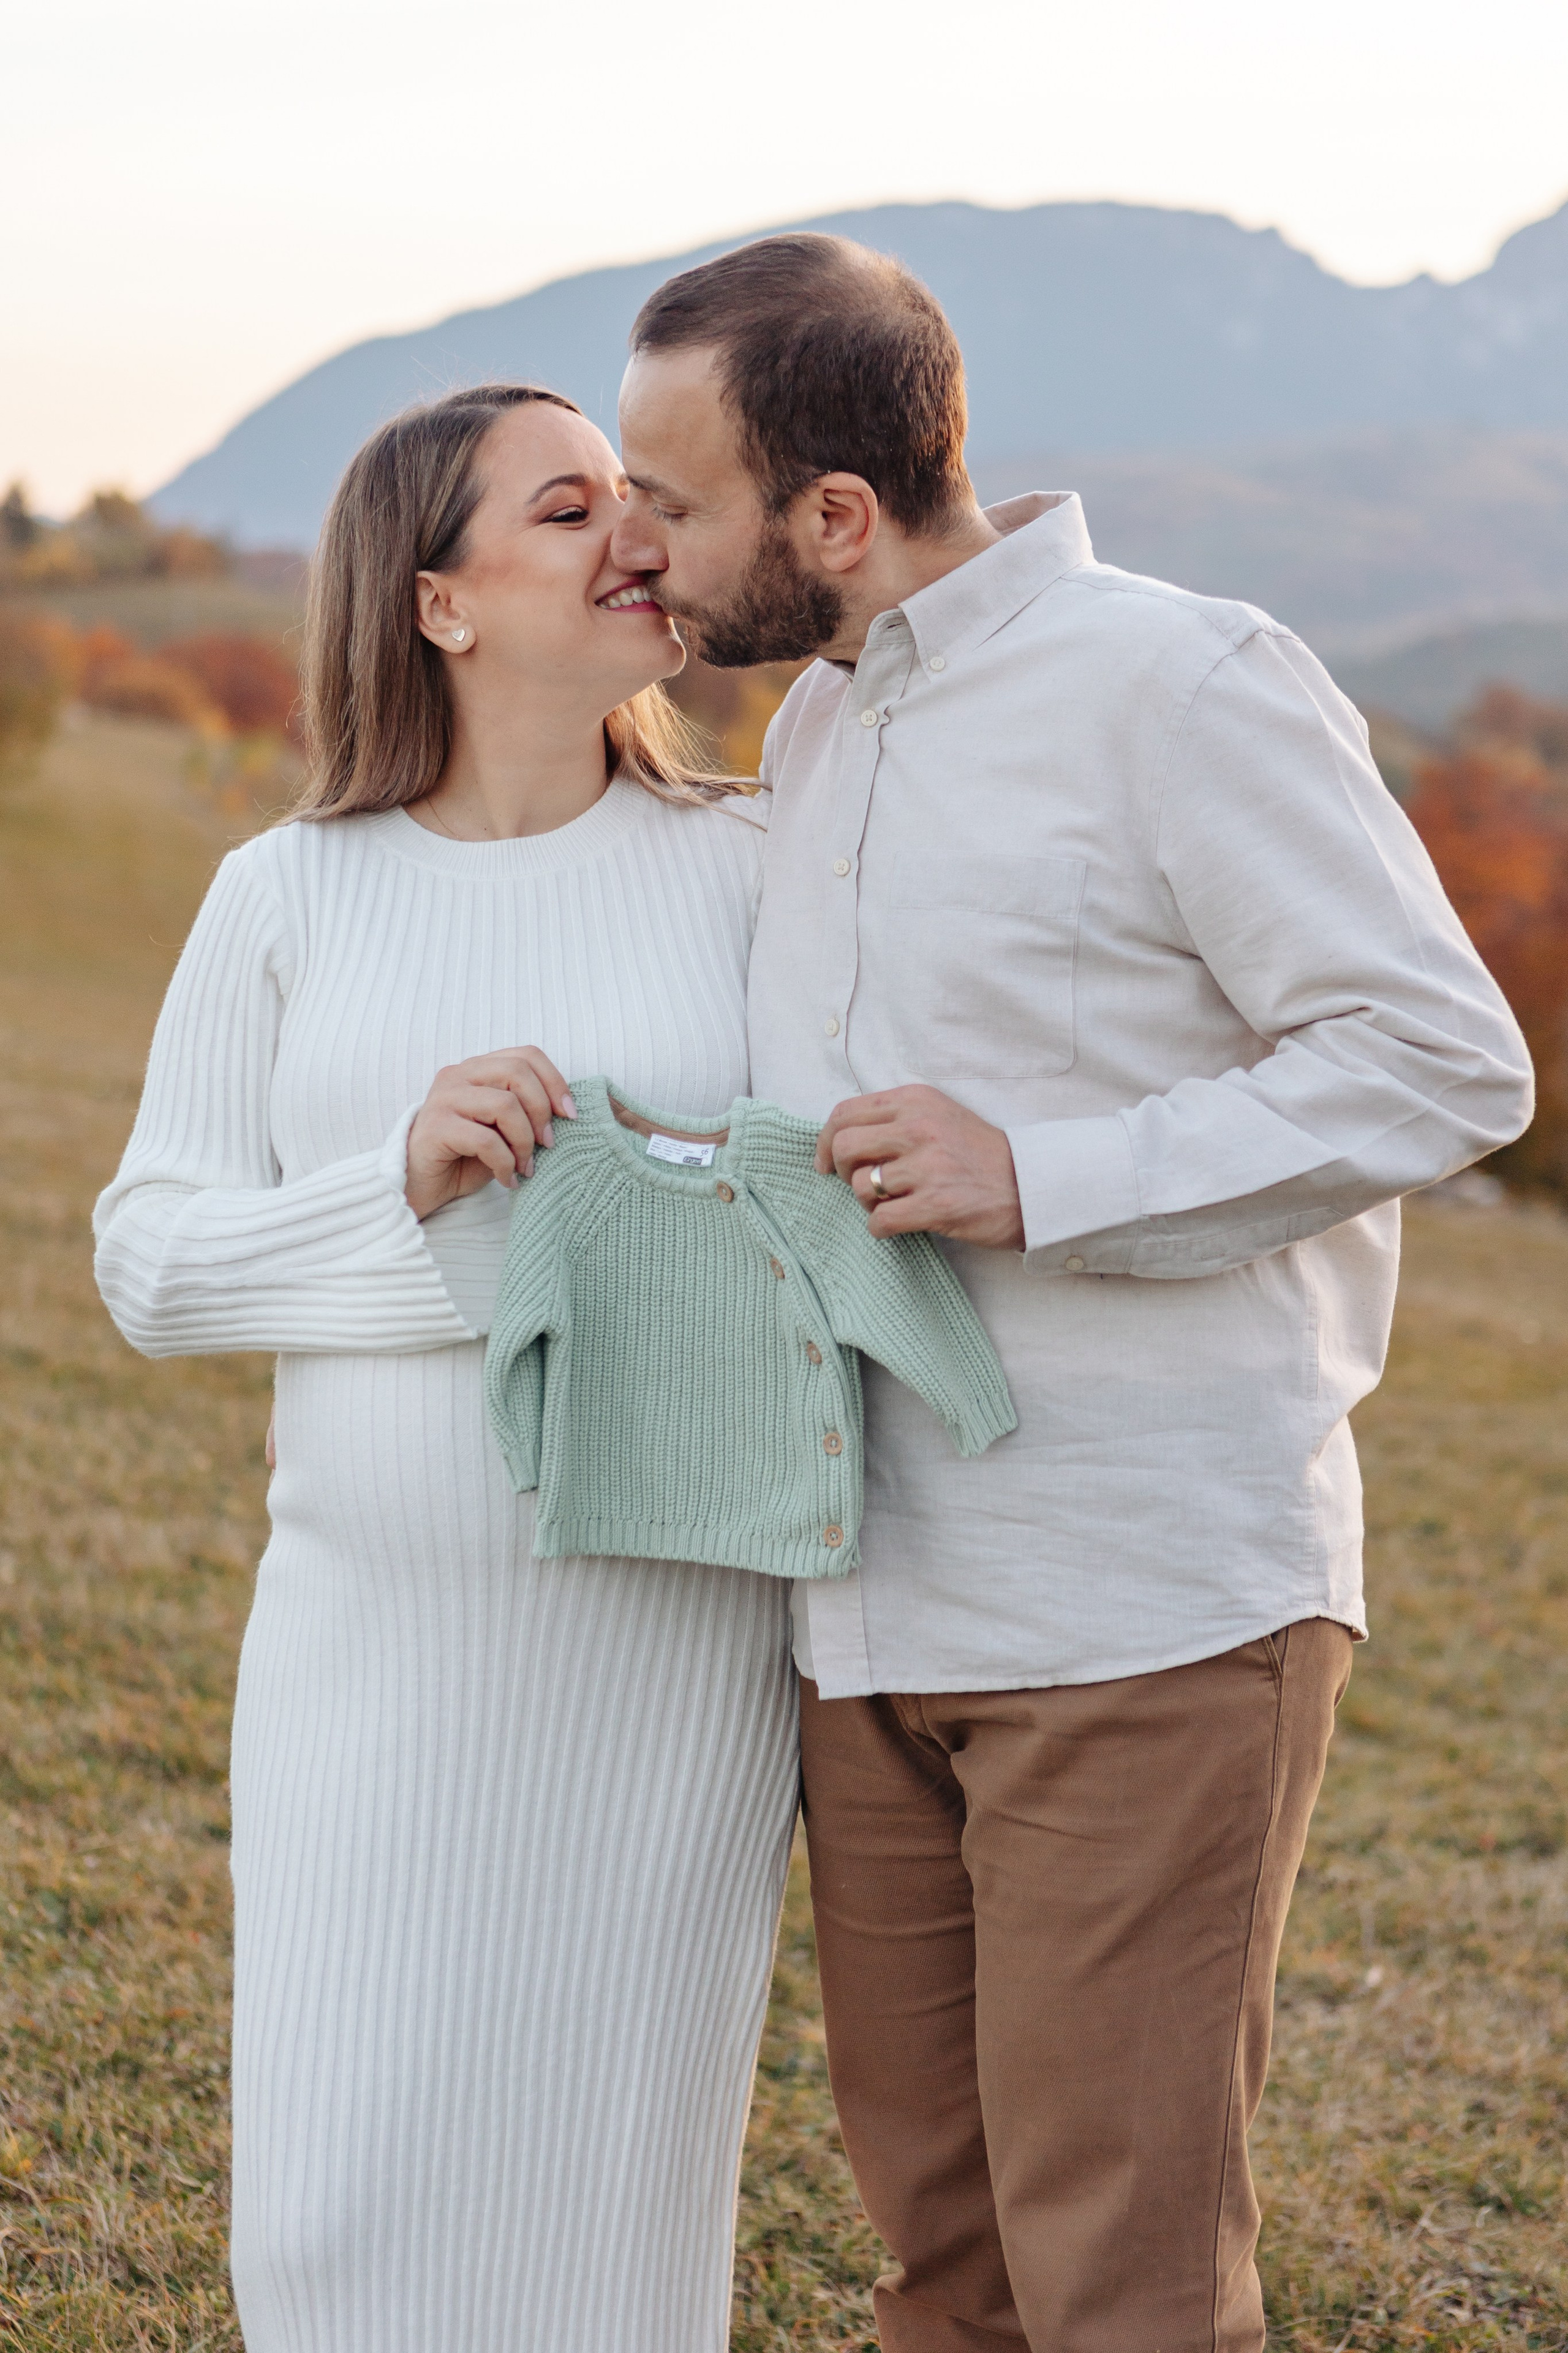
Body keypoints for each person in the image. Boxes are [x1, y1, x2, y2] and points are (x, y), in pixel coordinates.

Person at [611, 233, 1534, 2352]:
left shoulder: (1183, 682)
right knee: (946, 2261)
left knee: (1119, 2279)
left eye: (673, 498)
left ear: (835, 516)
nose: (640, 542)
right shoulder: (823, 726)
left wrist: (1051, 1175)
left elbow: (1442, 1055)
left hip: (1145, 1607)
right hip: (865, 1602)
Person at [93, 384, 799, 2353]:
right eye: (569, 508)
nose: (634, 537)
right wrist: (405, 1197)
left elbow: (814, 1225)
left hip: (658, 1653)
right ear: (441, 603)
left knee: (609, 2206)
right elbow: (147, 1261)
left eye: (634, 500)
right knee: (336, 2210)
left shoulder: (751, 862)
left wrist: (594, 1216)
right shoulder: (291, 892)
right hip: (366, 1656)